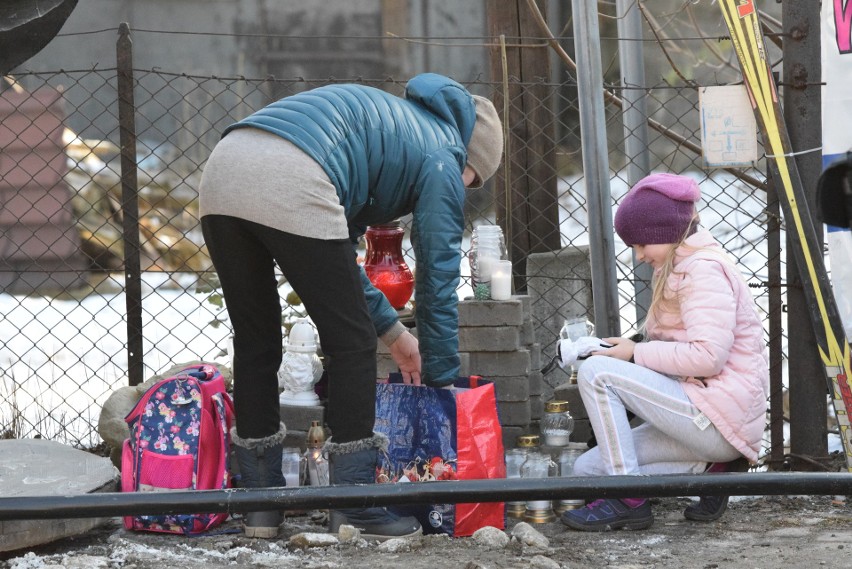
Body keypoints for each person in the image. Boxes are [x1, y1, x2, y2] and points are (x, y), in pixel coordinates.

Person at [198, 73, 504, 540]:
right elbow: (438, 276)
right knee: (352, 343)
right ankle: (356, 503)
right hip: (294, 170)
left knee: (257, 339)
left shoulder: (399, 127)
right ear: (471, 158)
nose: (466, 186)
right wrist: (441, 380)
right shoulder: (445, 156)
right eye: (474, 178)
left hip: (224, 168)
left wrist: (397, 335)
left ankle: (261, 507)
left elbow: (337, 257)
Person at [561, 173, 768, 532]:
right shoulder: (678, 265)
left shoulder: (701, 271)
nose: (639, 255)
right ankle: (712, 471)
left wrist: (633, 355)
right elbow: (677, 346)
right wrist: (628, 347)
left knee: (598, 373)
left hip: (718, 417)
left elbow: (707, 357)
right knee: (588, 471)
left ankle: (627, 498)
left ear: (665, 233)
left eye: (642, 244)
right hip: (703, 414)